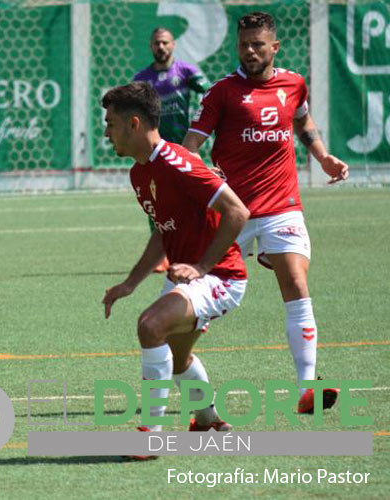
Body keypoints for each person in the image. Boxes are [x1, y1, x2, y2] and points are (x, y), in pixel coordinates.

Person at [182, 12, 349, 414]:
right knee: (193, 301)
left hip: (281, 206)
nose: (251, 51)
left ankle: (306, 388)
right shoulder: (222, 92)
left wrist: (322, 156)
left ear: (274, 47)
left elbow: (303, 120)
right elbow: (189, 148)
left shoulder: (293, 84)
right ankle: (182, 367)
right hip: (232, 212)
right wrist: (205, 169)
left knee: (295, 280)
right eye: (244, 45)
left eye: (258, 44)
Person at [101, 82, 250, 458]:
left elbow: (237, 212)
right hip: (188, 278)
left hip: (221, 277)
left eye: (110, 123)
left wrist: (202, 266)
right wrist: (130, 283)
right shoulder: (140, 173)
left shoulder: (179, 162)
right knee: (178, 356)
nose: (106, 132)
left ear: (134, 123)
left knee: (151, 325)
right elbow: (163, 234)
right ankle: (209, 421)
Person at [133, 28, 210, 273]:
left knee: (195, 197)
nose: (161, 47)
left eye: (165, 43)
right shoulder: (141, 78)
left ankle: (201, 247)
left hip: (183, 147)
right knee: (155, 199)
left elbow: (210, 94)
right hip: (154, 150)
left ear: (173, 44)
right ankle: (162, 255)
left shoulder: (187, 72)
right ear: (150, 46)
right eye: (157, 43)